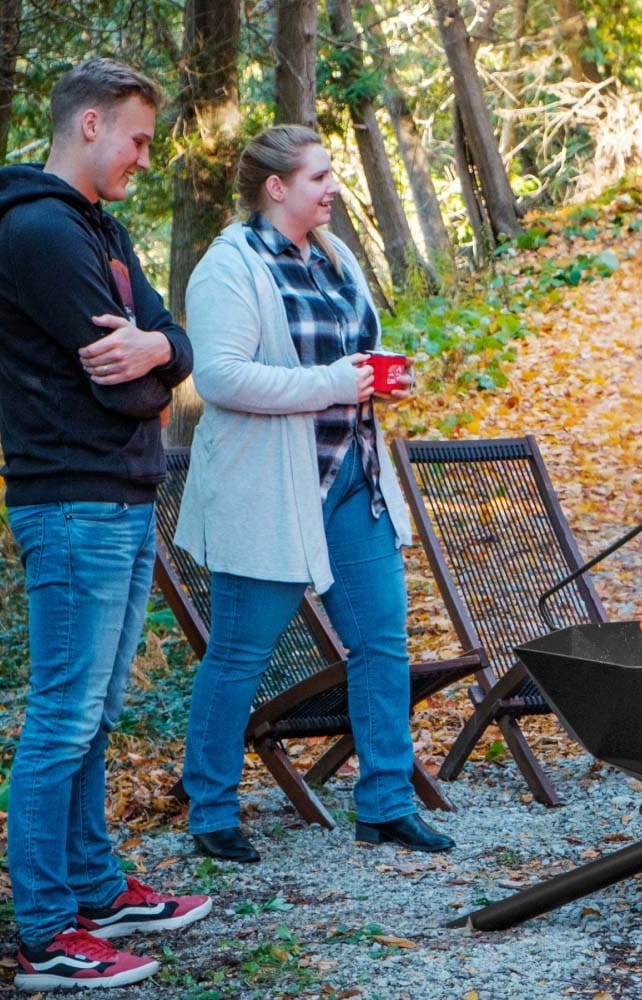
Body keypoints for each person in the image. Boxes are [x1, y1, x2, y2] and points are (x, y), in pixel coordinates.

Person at [0, 58, 209, 990]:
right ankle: (44, 932)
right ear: (88, 126)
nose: (144, 158)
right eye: (138, 138)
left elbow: (167, 346)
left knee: (96, 713)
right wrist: (157, 369)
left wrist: (160, 348)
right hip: (72, 501)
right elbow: (123, 396)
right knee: (63, 718)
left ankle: (92, 884)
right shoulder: (38, 233)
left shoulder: (102, 229)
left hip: (115, 501)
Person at [175, 125, 452, 861]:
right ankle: (210, 809)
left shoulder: (336, 257)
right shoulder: (229, 267)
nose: (333, 187)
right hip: (269, 494)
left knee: (382, 643)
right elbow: (221, 378)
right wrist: (333, 383)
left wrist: (382, 376)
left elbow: (355, 348)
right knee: (239, 652)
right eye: (319, 176)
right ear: (277, 189)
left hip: (352, 480)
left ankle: (387, 803)